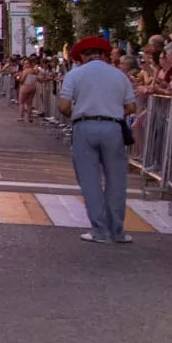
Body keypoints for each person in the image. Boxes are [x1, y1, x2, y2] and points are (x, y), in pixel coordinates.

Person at [57, 36, 137, 245]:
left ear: (82, 56)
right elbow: (131, 107)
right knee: (116, 180)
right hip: (113, 128)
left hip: (84, 126)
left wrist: (79, 112)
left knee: (90, 180)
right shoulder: (119, 76)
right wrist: (111, 109)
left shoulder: (75, 74)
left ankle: (99, 231)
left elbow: (64, 106)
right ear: (104, 55)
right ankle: (117, 231)